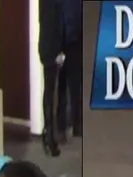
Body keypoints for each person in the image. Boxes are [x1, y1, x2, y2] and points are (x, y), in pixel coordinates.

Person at [37, 0, 64, 156]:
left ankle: (48, 132)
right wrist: (57, 52)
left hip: (47, 48)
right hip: (50, 50)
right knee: (50, 95)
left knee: (49, 93)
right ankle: (49, 134)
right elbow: (52, 26)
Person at [57, 0, 83, 140]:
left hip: (74, 44)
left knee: (74, 87)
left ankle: (75, 124)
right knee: (64, 87)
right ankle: (63, 126)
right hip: (65, 44)